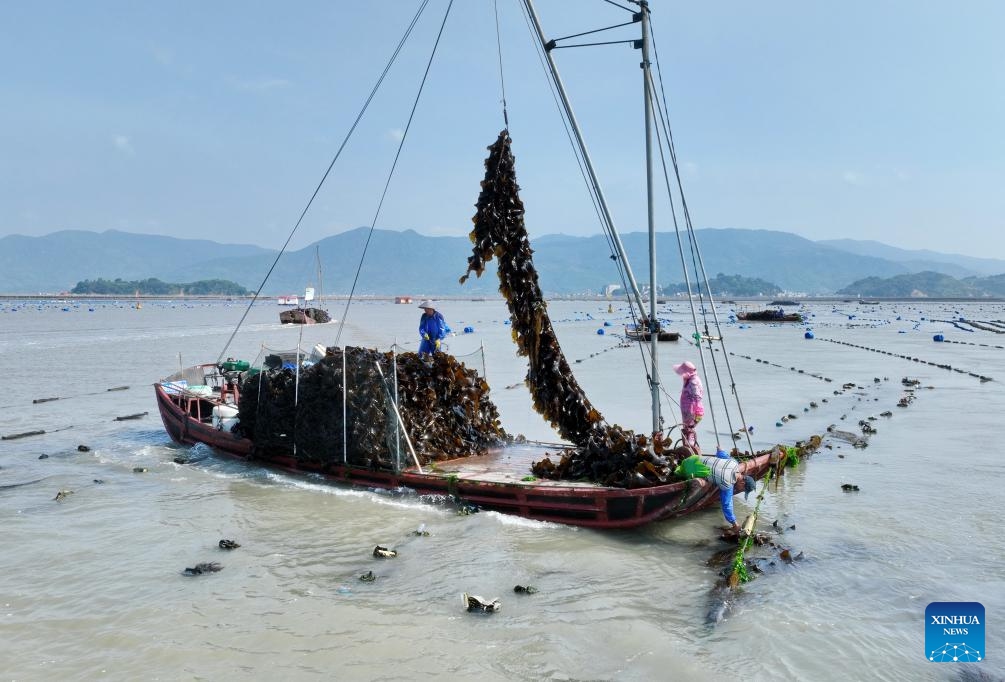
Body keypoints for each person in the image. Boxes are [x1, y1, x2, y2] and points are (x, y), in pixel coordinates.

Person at [700, 448, 756, 532]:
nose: (741, 490)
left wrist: (719, 449)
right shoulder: (728, 484)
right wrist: (735, 524)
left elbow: (722, 454)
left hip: (694, 458)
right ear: (742, 483)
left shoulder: (734, 463)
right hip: (689, 470)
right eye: (743, 490)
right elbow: (727, 505)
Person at [674, 360, 704, 452]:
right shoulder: (689, 379)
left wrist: (696, 412)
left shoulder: (693, 382)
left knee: (689, 428)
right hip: (687, 409)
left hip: (691, 410)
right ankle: (687, 446)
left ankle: (690, 447)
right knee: (687, 428)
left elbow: (697, 397)